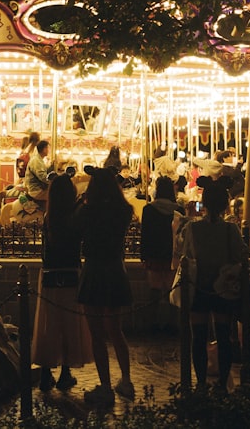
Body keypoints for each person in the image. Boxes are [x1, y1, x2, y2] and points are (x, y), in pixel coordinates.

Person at [75, 166, 135, 406]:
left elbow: (75, 226)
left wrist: (82, 201)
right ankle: (127, 379)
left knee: (97, 334)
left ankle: (106, 385)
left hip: (93, 269)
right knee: (116, 330)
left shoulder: (87, 212)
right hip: (115, 268)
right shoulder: (123, 210)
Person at [181, 174, 245, 393]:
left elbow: (187, 253)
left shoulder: (193, 228)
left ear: (204, 202)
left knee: (198, 336)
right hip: (223, 288)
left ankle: (199, 382)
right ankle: (222, 382)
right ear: (225, 203)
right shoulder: (231, 229)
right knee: (223, 336)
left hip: (200, 286)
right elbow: (238, 256)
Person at [32, 173, 94, 392]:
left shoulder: (50, 216)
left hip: (50, 273)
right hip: (70, 273)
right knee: (70, 324)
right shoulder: (75, 215)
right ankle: (66, 371)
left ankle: (46, 372)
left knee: (49, 324)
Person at [140, 176, 184, 333]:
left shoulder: (149, 209)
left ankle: (151, 323)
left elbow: (145, 234)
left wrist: (143, 255)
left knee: (154, 290)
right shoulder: (179, 210)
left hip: (154, 253)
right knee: (171, 290)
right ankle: (173, 323)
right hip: (172, 254)